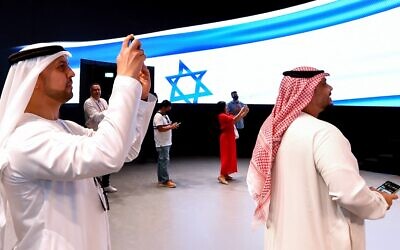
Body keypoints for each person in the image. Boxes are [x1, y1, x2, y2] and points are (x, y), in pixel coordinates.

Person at [0, 34, 156, 249]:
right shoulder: (26, 139)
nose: (71, 73)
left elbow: (126, 150)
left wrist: (140, 98)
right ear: (34, 79)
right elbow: (108, 154)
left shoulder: (65, 128)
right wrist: (125, 81)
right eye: (61, 66)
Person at [246, 66, 398, 250]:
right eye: (324, 83)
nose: (330, 88)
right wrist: (380, 200)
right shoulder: (323, 133)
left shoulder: (274, 131)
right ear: (307, 91)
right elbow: (349, 194)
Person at [84, 83, 117, 193]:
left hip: (104, 132)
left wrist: (110, 112)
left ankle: (106, 184)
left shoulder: (103, 101)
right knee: (95, 160)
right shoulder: (88, 103)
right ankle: (93, 186)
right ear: (91, 91)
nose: (97, 92)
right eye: (95, 90)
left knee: (106, 158)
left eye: (99, 89)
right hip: (93, 133)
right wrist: (110, 111)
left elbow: (109, 116)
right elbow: (96, 117)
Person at [216, 101, 248, 184]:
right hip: (225, 138)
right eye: (225, 106)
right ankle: (221, 176)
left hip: (230, 137)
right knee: (226, 157)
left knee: (230, 156)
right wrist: (241, 110)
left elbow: (236, 119)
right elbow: (234, 119)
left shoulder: (227, 115)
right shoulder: (221, 116)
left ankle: (226, 174)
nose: (227, 107)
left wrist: (245, 112)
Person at [153, 100, 179, 188]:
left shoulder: (165, 115)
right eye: (169, 107)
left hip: (166, 141)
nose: (170, 108)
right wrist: (171, 126)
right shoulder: (158, 116)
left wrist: (172, 125)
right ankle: (164, 180)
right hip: (162, 142)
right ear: (164, 107)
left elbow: (166, 126)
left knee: (163, 161)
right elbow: (160, 128)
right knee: (163, 161)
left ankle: (162, 179)